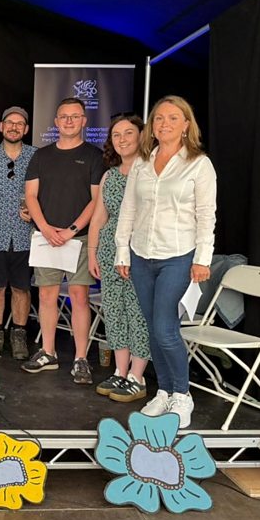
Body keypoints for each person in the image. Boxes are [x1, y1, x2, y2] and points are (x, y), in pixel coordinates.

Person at [114, 95, 217, 428]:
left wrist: (202, 259)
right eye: (159, 118)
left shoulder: (199, 164)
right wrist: (122, 251)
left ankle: (182, 395)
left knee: (165, 328)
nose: (164, 124)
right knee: (152, 328)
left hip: (178, 256)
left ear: (186, 125)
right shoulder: (142, 163)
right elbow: (129, 209)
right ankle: (164, 391)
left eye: (173, 118)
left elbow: (206, 215)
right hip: (142, 255)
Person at [21, 98, 106, 385]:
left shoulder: (94, 156)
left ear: (84, 121)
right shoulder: (41, 156)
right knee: (46, 296)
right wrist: (45, 228)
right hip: (45, 237)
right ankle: (48, 352)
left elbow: (96, 200)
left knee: (79, 297)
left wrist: (71, 230)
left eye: (75, 116)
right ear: (56, 122)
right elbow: (31, 195)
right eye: (64, 117)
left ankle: (81, 358)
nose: (69, 121)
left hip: (78, 238)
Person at [87, 113, 152, 402]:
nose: (122, 139)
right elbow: (99, 218)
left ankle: (137, 377)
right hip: (109, 252)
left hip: (141, 252)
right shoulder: (109, 176)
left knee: (138, 313)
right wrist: (92, 253)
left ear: (141, 136)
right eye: (116, 135)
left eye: (128, 133)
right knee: (114, 312)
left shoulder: (150, 172)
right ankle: (120, 371)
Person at [0, 106, 37, 360]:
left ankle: (19, 336)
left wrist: (37, 212)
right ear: (1, 126)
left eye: (19, 123)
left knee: (22, 288)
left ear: (26, 129)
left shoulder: (37, 157)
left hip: (26, 236)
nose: (14, 127)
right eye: (9, 122)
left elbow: (47, 192)